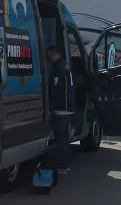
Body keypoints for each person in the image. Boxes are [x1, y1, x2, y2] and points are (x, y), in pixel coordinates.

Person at [47, 46, 75, 175]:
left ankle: (63, 165)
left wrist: (50, 106)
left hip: (61, 109)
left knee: (60, 139)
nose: (49, 58)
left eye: (50, 55)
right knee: (65, 138)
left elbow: (55, 90)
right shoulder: (66, 66)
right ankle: (66, 163)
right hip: (68, 108)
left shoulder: (57, 70)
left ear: (55, 54)